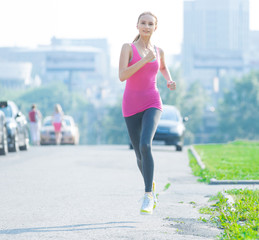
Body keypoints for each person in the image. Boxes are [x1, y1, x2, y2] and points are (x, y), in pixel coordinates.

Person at [119, 12, 176, 215]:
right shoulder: (128, 48)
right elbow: (122, 75)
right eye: (143, 23)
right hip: (131, 105)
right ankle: (150, 185)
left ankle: (148, 196)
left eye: (150, 24)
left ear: (155, 28)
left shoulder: (158, 50)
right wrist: (144, 60)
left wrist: (169, 80)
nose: (146, 26)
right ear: (137, 26)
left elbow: (163, 67)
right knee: (138, 154)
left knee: (145, 144)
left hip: (153, 101)